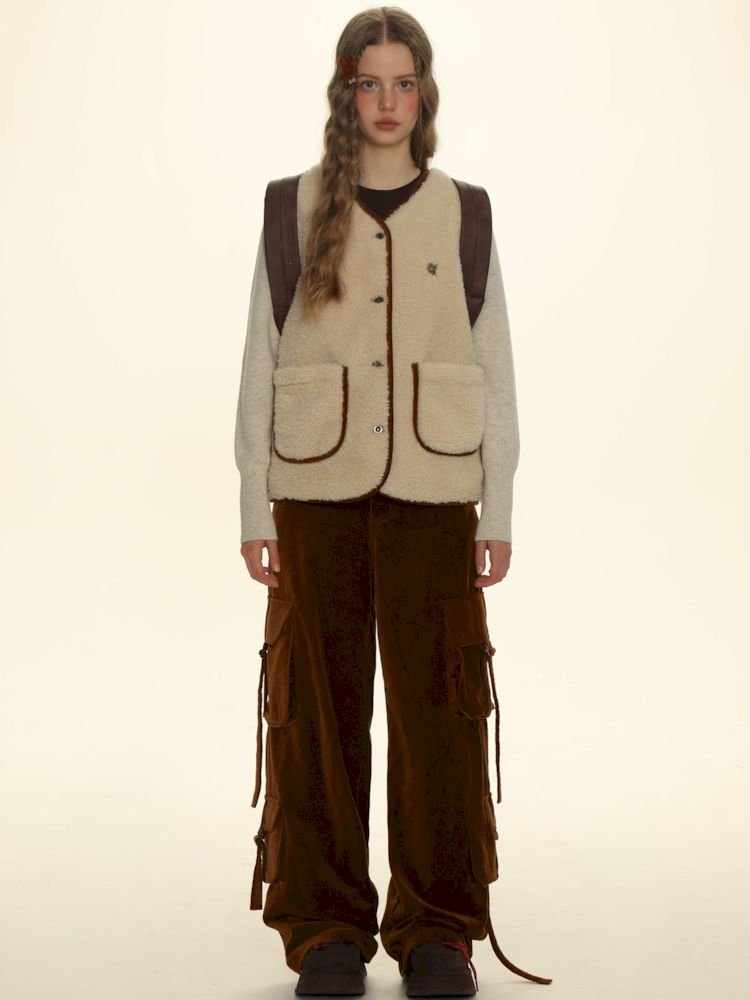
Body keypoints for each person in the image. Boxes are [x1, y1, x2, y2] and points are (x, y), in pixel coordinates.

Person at [234, 7, 552, 997]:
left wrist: (498, 505)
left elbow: (494, 361)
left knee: (440, 713)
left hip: (435, 488)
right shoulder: (291, 207)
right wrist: (254, 503)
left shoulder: (466, 211)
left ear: (425, 92)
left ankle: (437, 930)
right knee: (316, 715)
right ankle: (326, 926)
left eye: (402, 82)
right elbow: (260, 354)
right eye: (368, 83)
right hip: (313, 488)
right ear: (345, 92)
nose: (386, 101)